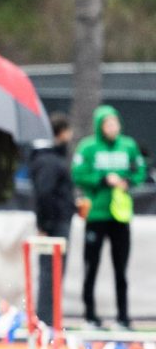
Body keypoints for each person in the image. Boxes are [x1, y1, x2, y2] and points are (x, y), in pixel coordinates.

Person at [72, 105, 146, 330]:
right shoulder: (88, 147)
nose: (113, 127)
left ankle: (123, 316)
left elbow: (140, 170)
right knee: (91, 266)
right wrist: (103, 179)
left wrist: (128, 181)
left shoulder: (128, 146)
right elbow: (78, 174)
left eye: (115, 123)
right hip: (96, 214)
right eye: (108, 123)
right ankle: (90, 316)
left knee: (120, 268)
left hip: (120, 215)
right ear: (100, 126)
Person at [29, 112, 76, 326]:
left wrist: (73, 206)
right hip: (54, 224)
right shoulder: (49, 160)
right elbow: (45, 194)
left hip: (56, 221)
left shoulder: (50, 158)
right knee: (51, 273)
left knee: (53, 273)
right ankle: (46, 321)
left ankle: (49, 319)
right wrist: (45, 224)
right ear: (62, 133)